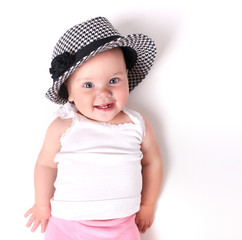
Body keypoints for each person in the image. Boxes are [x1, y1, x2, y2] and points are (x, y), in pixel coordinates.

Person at [25, 16, 162, 240]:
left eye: (114, 81)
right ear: (68, 92)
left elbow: (152, 161)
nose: (104, 93)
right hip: (68, 223)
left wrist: (147, 204)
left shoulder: (136, 124)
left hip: (122, 224)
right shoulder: (64, 126)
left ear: (127, 77)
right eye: (88, 85)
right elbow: (45, 165)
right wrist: (41, 204)